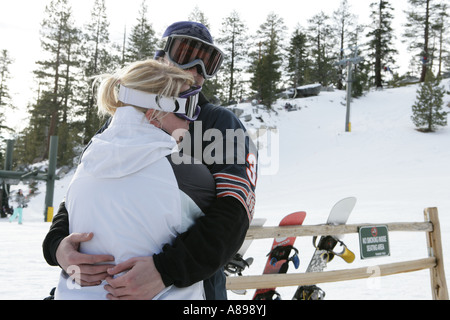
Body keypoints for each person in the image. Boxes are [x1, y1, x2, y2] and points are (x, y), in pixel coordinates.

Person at [43, 21, 258, 300]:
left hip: (186, 288)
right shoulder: (123, 119)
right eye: (185, 52)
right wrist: (59, 246)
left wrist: (166, 270)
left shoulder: (216, 123)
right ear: (160, 57)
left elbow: (234, 211)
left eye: (207, 61)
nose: (195, 69)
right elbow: (82, 193)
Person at [53, 59, 217, 300]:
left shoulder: (87, 164)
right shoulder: (185, 174)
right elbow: (223, 227)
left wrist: (54, 246)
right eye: (188, 106)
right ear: (156, 111)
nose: (191, 120)